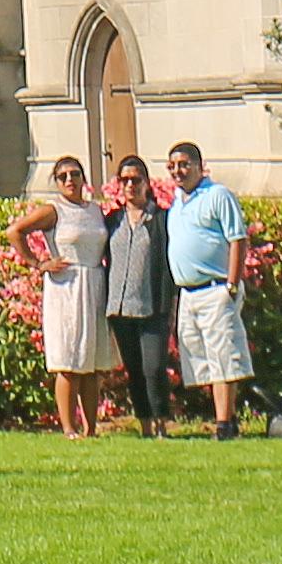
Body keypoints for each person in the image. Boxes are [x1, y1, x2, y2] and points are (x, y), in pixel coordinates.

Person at [161, 140, 252, 435]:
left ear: (200, 167)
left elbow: (237, 239)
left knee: (223, 356)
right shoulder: (176, 203)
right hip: (188, 293)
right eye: (173, 166)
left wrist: (233, 285)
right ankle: (223, 416)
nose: (179, 171)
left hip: (217, 289)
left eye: (185, 164)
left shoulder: (218, 195)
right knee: (201, 359)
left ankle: (225, 424)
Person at [99, 153, 175, 433]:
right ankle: (144, 423)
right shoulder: (112, 221)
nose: (131, 185)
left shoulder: (160, 220)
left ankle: (162, 423)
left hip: (152, 307)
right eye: (125, 180)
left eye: (136, 179)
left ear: (146, 183)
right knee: (134, 371)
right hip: (119, 309)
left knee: (154, 369)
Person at [31, 154, 106, 436]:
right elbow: (16, 231)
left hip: (94, 283)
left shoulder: (95, 210)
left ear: (83, 177)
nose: (69, 180)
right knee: (68, 361)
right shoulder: (54, 210)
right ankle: (68, 427)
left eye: (74, 174)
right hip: (66, 286)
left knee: (91, 362)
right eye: (62, 176)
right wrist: (40, 263)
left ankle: (91, 429)